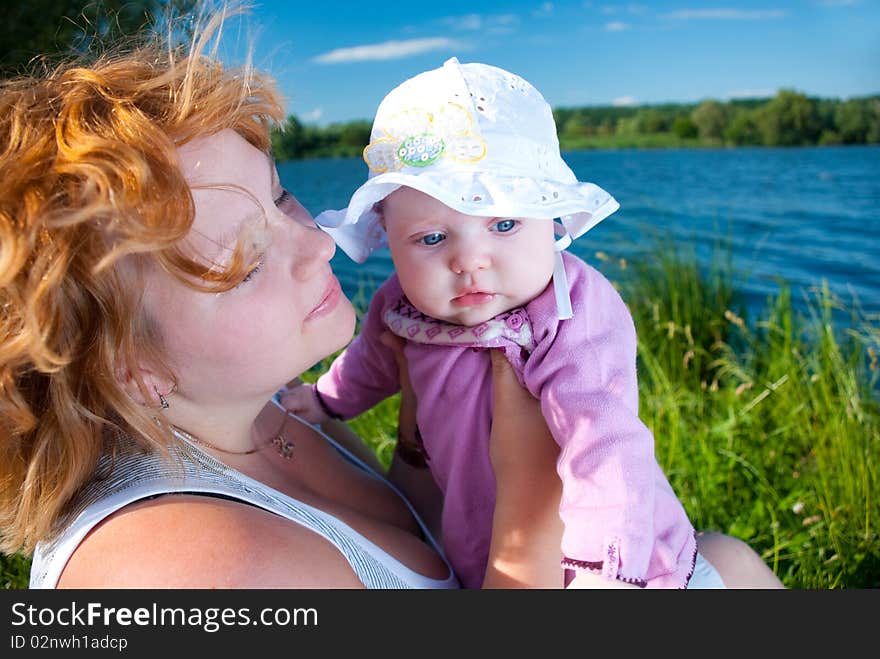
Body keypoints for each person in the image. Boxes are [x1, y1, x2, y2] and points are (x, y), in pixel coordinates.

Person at [0, 7, 782, 591]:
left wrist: (415, 435)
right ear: (133, 367)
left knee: (731, 558)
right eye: (242, 263)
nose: (317, 244)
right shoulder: (183, 571)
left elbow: (423, 540)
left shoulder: (268, 413)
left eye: (284, 197)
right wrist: (530, 502)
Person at [281, 58, 748, 590]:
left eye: (504, 224)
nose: (470, 261)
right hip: (481, 546)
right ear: (387, 232)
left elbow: (606, 443)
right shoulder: (405, 307)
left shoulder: (568, 312)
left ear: (550, 215)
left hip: (617, 566)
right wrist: (326, 400)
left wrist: (605, 573)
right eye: (432, 238)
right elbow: (373, 361)